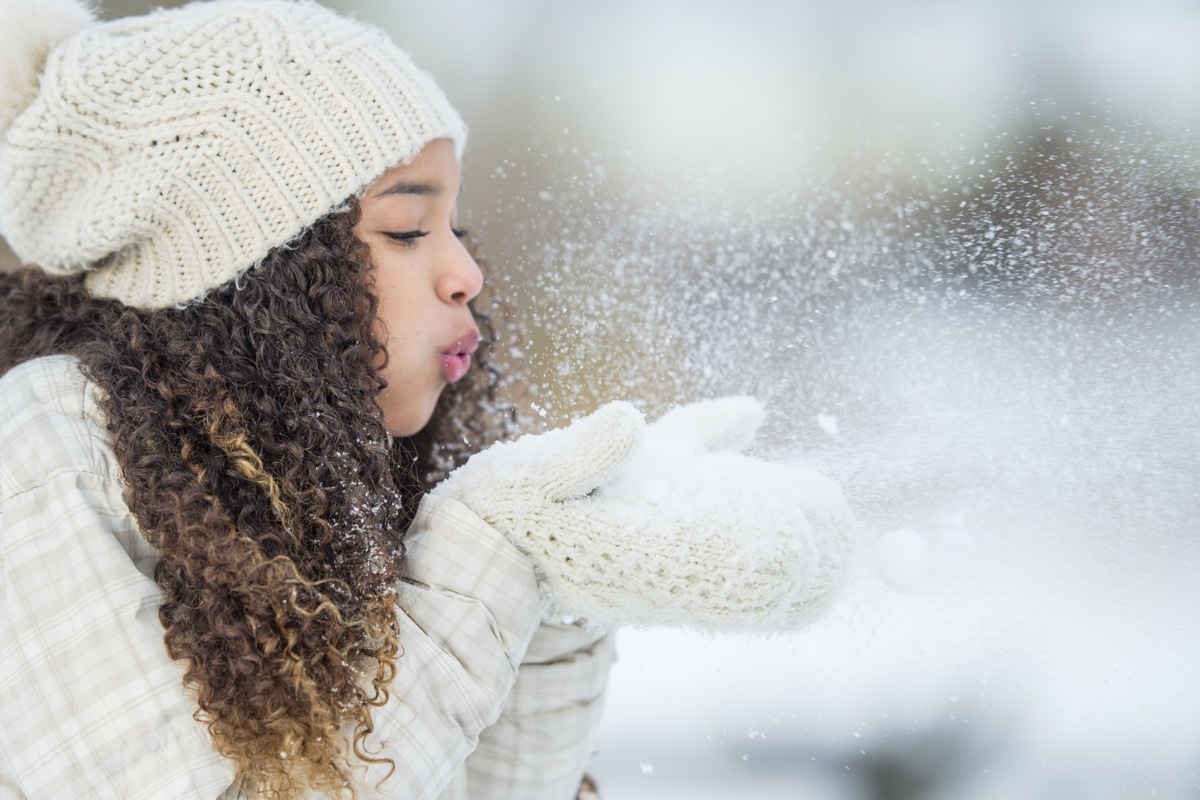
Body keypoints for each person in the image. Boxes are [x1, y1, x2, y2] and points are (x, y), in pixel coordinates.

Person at [0, 1, 855, 798]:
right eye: (406, 230)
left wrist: (559, 594)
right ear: (252, 279)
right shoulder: (42, 448)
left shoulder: (320, 480)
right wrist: (483, 561)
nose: (467, 273)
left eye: (454, 225)